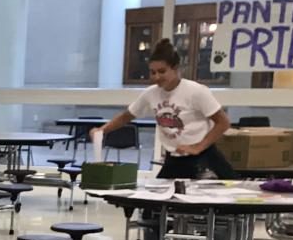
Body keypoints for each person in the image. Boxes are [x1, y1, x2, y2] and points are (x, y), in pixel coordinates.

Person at [92, 38, 235, 179]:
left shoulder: (196, 91)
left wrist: (198, 147)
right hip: (174, 159)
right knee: (157, 198)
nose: (157, 77)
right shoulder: (151, 93)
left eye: (162, 71)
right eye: (153, 72)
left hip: (203, 158)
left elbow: (223, 123)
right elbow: (126, 116)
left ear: (175, 68)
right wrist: (102, 130)